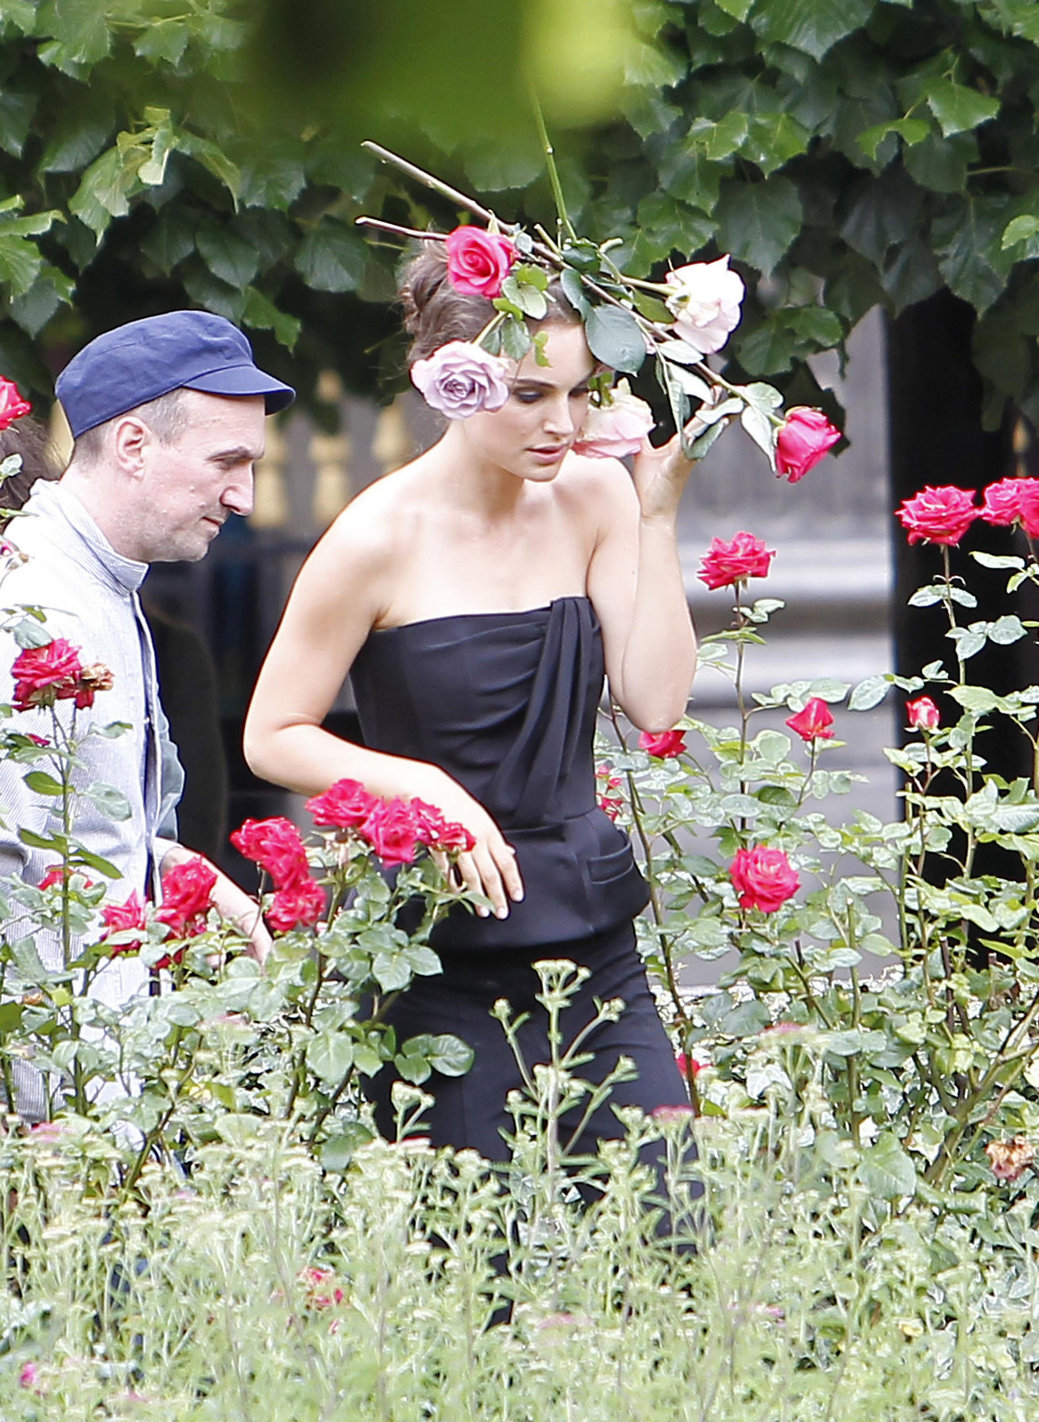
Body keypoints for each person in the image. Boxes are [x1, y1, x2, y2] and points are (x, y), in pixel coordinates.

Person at [244, 248, 695, 1164]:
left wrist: (656, 519)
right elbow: (271, 735)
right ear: (452, 385)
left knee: (671, 1233)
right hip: (442, 953)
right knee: (474, 1269)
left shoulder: (596, 496)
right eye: (530, 396)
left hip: (593, 938)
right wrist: (422, 790)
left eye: (578, 393)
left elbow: (654, 701)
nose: (561, 423)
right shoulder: (376, 535)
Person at [0, 311, 295, 1120]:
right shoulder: (33, 609)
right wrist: (48, 1122)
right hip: (60, 1116)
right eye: (226, 462)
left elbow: (70, 840)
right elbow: (24, 881)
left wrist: (170, 865)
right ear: (132, 444)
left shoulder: (96, 583)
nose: (244, 495)